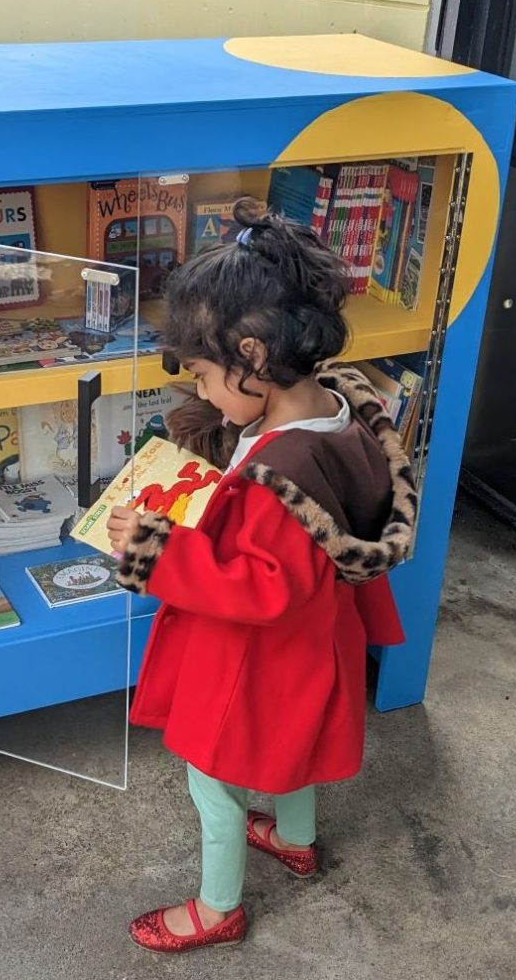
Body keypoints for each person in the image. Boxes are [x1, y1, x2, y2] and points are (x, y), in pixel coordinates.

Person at [107, 197, 417, 953]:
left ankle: (219, 909)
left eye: (206, 374)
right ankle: (295, 839)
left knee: (210, 779)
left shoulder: (282, 472)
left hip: (258, 658)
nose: (204, 392)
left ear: (251, 355)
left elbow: (262, 587)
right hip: (315, 646)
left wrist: (154, 549)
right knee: (291, 750)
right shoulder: (338, 409)